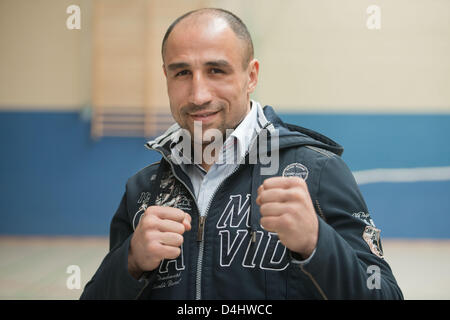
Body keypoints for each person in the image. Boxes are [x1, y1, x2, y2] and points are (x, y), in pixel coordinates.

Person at [80, 8, 403, 300]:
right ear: (166, 77)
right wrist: (131, 262)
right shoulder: (144, 188)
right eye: (182, 73)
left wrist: (318, 244)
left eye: (216, 71)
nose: (198, 94)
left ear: (251, 76)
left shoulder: (316, 171)